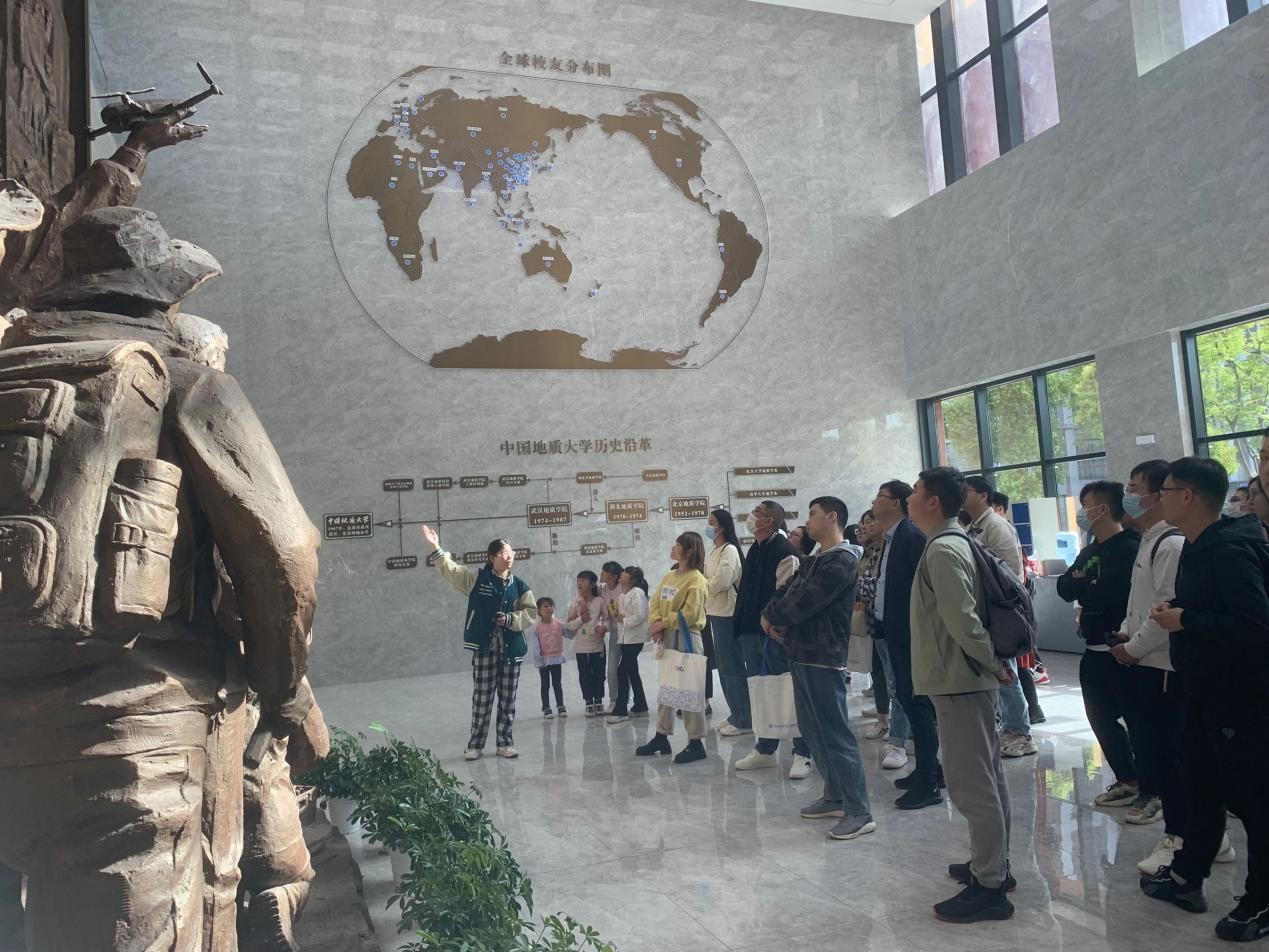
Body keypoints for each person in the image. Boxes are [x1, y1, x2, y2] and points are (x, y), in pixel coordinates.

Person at [0, 208, 320, 950]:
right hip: (129, 734)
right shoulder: (184, 381)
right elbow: (286, 550)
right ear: (161, 298)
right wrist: (285, 691)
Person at [1141, 457, 1269, 943]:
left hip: (1238, 696)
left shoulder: (1229, 550)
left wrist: (1187, 621)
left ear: (1188, 496)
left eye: (1165, 491)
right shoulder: (1199, 546)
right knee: (1200, 786)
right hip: (1202, 690)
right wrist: (1180, 611)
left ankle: (1261, 899)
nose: (1158, 499)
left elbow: (1255, 625)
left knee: (1253, 801)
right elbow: (1216, 608)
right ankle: (1187, 876)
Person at [909, 467, 1017, 923]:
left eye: (915, 492)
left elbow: (963, 620)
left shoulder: (944, 548)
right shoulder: (951, 541)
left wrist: (992, 662)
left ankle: (990, 887)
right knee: (986, 777)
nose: (910, 498)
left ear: (933, 501)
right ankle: (993, 865)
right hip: (963, 678)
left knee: (972, 786)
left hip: (961, 680)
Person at [764, 497, 874, 841]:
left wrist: (775, 616)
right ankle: (835, 795)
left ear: (832, 517)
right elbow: (784, 591)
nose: (808, 520)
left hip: (823, 655)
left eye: (813, 514)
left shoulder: (842, 560)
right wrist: (769, 614)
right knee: (812, 731)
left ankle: (859, 811)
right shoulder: (815, 557)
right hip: (800, 651)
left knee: (834, 733)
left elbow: (803, 602)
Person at [1056, 482, 1142, 808]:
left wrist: (1086, 585)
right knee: (1100, 718)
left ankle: (1151, 784)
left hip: (1123, 651)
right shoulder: (1090, 550)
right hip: (1092, 649)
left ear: (1102, 508)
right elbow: (1064, 587)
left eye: (1086, 504)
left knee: (1136, 721)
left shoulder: (1129, 547)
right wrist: (1086, 584)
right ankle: (1128, 778)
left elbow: (1112, 593)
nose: (1082, 512)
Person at [421, 527, 538, 760]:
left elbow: (531, 612)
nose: (509, 556)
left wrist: (510, 619)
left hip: (511, 650)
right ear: (491, 557)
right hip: (485, 649)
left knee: (508, 699)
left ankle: (505, 743)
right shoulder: (476, 579)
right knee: (482, 698)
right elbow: (451, 570)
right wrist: (436, 546)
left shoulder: (520, 585)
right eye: (504, 553)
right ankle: (475, 745)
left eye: (511, 552)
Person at [871, 480, 942, 806]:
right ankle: (929, 768)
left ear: (896, 503)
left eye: (880, 497)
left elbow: (925, 588)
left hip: (911, 636)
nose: (874, 502)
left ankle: (928, 782)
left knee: (917, 704)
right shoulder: (893, 536)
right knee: (911, 702)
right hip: (896, 634)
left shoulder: (910, 536)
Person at [732, 501, 813, 779]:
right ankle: (765, 749)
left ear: (769, 521)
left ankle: (803, 752)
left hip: (774, 635)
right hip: (751, 632)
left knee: (788, 691)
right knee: (762, 691)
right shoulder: (755, 548)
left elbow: (786, 596)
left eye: (758, 513)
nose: (751, 516)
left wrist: (774, 622)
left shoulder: (784, 551)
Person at [963, 476, 1036, 759]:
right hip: (984, 608)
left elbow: (1011, 572)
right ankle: (1008, 726)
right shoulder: (973, 526)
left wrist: (1001, 608)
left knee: (1007, 672)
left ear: (983, 495)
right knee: (998, 671)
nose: (962, 495)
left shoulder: (996, 525)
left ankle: (1020, 732)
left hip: (1000, 609)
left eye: (967, 491)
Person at [636, 533, 711, 764]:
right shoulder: (670, 575)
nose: (673, 547)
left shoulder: (696, 579)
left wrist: (663, 623)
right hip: (667, 637)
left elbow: (690, 614)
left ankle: (696, 743)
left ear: (689, 551)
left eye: (678, 545)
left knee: (689, 691)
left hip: (687, 638)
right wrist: (656, 625)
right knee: (666, 688)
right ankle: (662, 736)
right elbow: (655, 602)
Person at [855, 512, 895, 742]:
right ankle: (883, 719)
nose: (865, 527)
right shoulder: (868, 552)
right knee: (878, 672)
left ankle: (898, 729)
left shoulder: (890, 549)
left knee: (892, 677)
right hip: (870, 620)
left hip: (887, 620)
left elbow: (877, 587)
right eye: (863, 523)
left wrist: (860, 585)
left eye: (870, 522)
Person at [705, 509, 745, 732]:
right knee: (724, 668)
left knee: (732, 667)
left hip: (728, 614)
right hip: (715, 612)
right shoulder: (714, 551)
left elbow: (722, 581)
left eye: (711, 522)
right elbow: (706, 578)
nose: (708, 526)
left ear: (721, 526)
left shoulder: (729, 550)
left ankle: (744, 718)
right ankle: (735, 713)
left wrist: (704, 586)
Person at [608, 567, 651, 724]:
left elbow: (640, 615)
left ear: (632, 579)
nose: (622, 574)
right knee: (632, 672)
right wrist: (618, 617)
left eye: (626, 572)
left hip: (635, 638)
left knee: (622, 671)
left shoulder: (637, 593)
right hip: (625, 639)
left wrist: (623, 620)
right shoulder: (622, 595)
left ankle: (621, 710)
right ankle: (640, 706)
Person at [566, 571, 608, 717]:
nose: (580, 583)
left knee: (599, 674)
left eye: (583, 580)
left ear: (592, 584)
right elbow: (569, 625)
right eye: (578, 580)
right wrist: (580, 620)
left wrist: (603, 626)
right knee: (584, 675)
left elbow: (607, 619)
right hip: (581, 647)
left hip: (597, 645)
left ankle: (599, 701)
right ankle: (589, 703)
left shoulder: (600, 601)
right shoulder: (574, 603)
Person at [528, 597, 567, 719]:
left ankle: (560, 706)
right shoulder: (537, 627)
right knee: (545, 685)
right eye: (545, 606)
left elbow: (569, 633)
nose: (549, 608)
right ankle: (546, 707)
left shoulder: (559, 624)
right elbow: (535, 646)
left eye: (551, 605)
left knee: (557, 683)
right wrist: (538, 661)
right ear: (539, 610)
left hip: (556, 658)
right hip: (544, 660)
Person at [599, 561, 624, 707]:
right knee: (612, 669)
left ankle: (624, 699)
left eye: (605, 572)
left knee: (626, 669)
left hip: (628, 632)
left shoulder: (623, 587)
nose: (601, 574)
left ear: (614, 576)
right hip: (615, 632)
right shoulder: (602, 589)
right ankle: (614, 700)